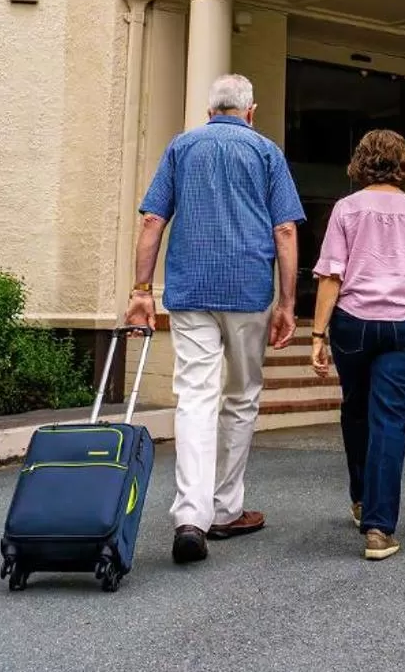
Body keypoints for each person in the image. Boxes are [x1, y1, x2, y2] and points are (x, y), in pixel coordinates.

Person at [126, 73, 303, 566]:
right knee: (241, 395)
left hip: (191, 290)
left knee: (195, 396)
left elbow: (152, 220)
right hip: (248, 291)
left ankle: (191, 516)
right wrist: (288, 302)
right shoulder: (267, 151)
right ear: (251, 111)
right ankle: (226, 508)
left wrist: (141, 290)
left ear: (209, 112)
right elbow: (285, 229)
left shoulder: (182, 148)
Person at [308, 128, 405, 561]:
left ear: (361, 162)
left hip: (354, 323)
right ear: (403, 164)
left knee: (355, 408)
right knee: (390, 420)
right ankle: (378, 527)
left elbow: (331, 275)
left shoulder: (346, 209)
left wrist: (317, 335)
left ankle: (360, 498)